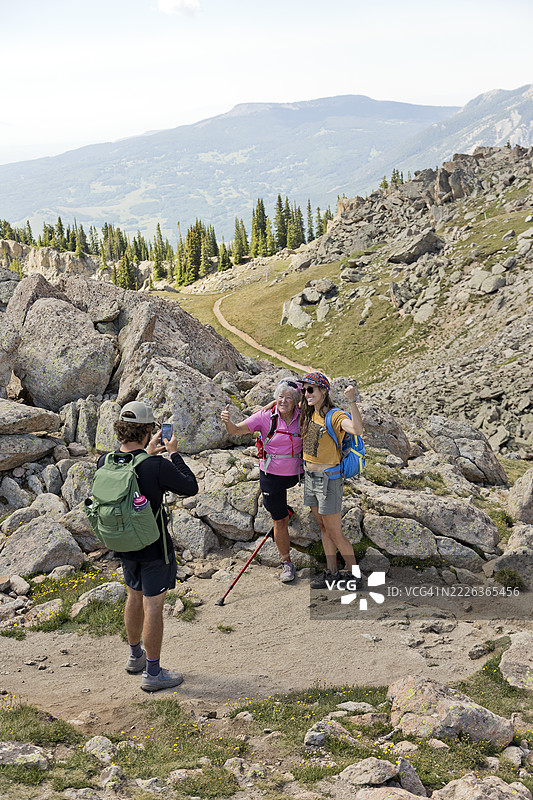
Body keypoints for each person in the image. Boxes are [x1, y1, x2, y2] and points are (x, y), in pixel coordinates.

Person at [97, 401, 198, 692]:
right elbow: (190, 486)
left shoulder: (105, 461)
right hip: (153, 546)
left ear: (120, 430)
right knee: (153, 605)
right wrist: (174, 454)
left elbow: (134, 469)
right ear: (147, 431)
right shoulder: (156, 466)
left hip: (122, 543)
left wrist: (146, 453)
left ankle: (135, 657)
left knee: (133, 595)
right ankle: (153, 674)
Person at [221, 378, 303, 582]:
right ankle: (286, 563)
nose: (283, 401)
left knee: (281, 510)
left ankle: (285, 509)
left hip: (296, 475)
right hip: (271, 476)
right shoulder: (265, 417)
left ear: (296, 401)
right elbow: (235, 430)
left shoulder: (303, 416)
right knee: (279, 520)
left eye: (289, 398)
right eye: (280, 397)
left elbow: (318, 400)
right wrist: (227, 422)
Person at [299, 372, 364, 589]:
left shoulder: (335, 416)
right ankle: (332, 573)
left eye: (310, 389)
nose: (306, 394)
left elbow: (357, 429)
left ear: (323, 390)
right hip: (310, 478)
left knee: (335, 532)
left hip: (329, 481)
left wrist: (352, 401)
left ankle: (355, 575)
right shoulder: (309, 412)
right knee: (323, 527)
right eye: (304, 390)